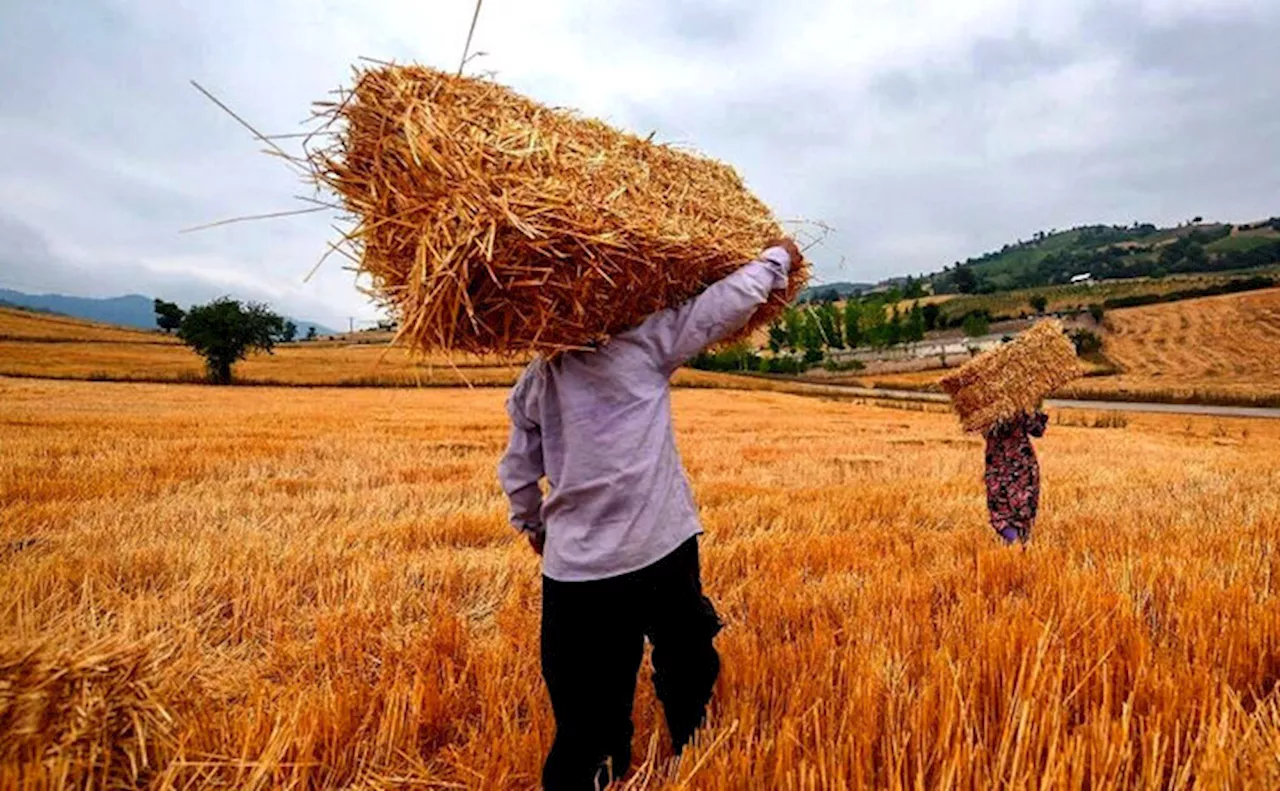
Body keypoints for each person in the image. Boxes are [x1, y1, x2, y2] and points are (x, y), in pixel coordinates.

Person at [498, 240, 801, 790]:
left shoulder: (535, 382)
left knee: (586, 712)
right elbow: (721, 305)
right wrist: (776, 261)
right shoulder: (644, 346)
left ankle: (597, 773)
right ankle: (696, 751)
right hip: (663, 549)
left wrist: (534, 526)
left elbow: (518, 474)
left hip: (579, 574)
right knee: (686, 662)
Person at [983, 409, 1048, 545]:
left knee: (1004, 509)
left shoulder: (984, 400)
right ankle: (1017, 544)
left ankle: (1015, 546)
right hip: (1017, 461)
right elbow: (1037, 429)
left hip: (1000, 461)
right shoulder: (1019, 400)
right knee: (1020, 507)